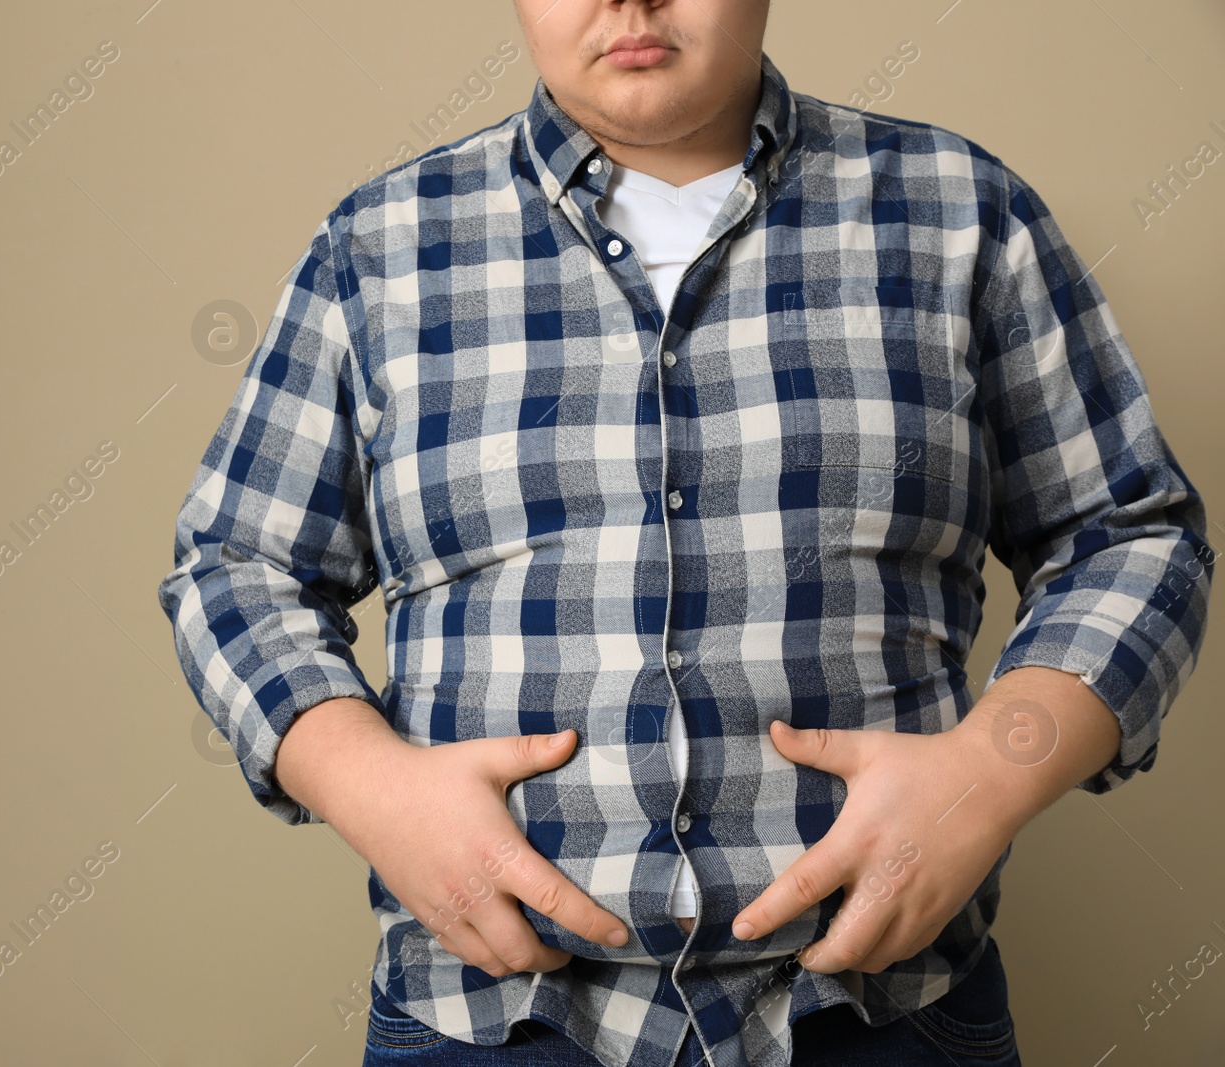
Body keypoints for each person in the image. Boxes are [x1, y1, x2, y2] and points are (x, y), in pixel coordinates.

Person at [158, 2, 1212, 1064]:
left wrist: (991, 770)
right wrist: (370, 788)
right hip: (491, 1017)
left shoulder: (960, 214)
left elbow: (1128, 533)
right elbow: (237, 565)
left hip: (884, 1012)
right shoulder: (378, 248)